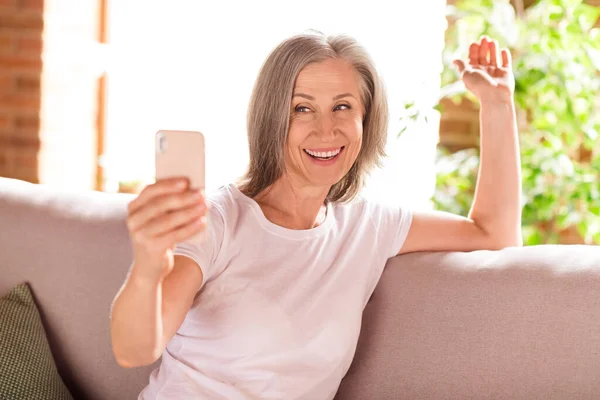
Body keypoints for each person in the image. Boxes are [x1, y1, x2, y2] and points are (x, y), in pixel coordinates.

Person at [110, 31, 522, 399]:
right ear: (272, 119)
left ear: (366, 120)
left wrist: (497, 104)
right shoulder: (217, 221)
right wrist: (147, 266)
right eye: (302, 109)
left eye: (342, 107)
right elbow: (134, 350)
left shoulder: (366, 226)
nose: (326, 130)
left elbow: (492, 231)